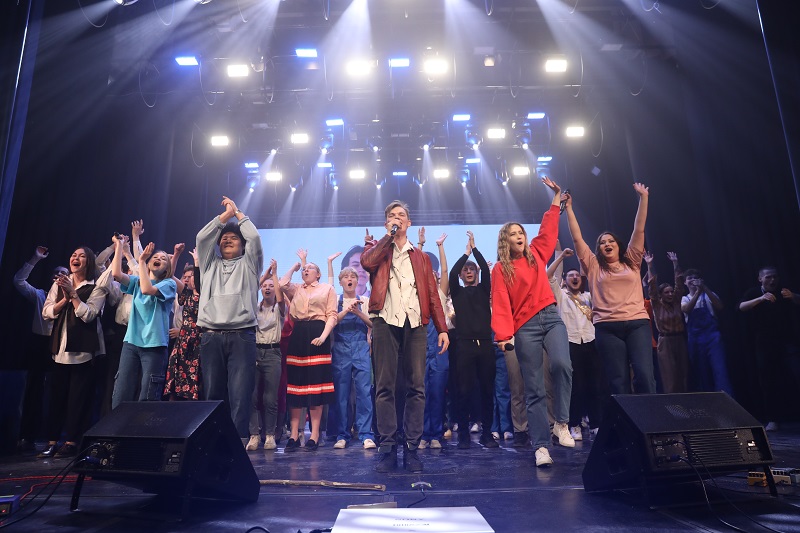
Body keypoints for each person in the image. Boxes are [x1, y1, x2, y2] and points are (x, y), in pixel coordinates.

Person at [361, 201, 449, 473]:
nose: (396, 219)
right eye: (392, 216)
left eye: (401, 216)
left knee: (416, 387)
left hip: (415, 323)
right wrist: (386, 238)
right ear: (386, 223)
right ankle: (387, 448)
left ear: (409, 223)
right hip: (385, 321)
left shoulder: (420, 257)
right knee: (384, 387)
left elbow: (432, 294)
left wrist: (442, 328)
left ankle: (411, 448)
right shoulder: (377, 250)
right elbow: (367, 263)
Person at [491, 177, 573, 468]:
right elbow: (501, 302)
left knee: (562, 365)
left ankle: (561, 423)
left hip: (550, 318)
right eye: (513, 233)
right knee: (534, 389)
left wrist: (556, 197)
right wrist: (504, 335)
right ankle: (540, 447)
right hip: (524, 327)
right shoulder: (501, 269)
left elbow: (548, 229)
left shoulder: (537, 254)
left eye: (521, 232)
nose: (519, 236)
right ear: (506, 240)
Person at [564, 183, 655, 395]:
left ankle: (649, 416)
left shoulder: (632, 261)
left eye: (611, 241)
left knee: (644, 375)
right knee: (618, 381)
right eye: (602, 242)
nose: (607, 244)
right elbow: (577, 238)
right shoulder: (593, 265)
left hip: (637, 324)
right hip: (607, 328)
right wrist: (568, 208)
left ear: (618, 245)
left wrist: (643, 197)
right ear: (599, 248)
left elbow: (639, 229)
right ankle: (624, 417)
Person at [196, 196, 263, 439]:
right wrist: (225, 216)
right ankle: (214, 442)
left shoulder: (250, 264)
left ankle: (237, 444)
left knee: (240, 395)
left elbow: (254, 238)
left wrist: (238, 214)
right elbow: (202, 238)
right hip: (211, 335)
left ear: (243, 245)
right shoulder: (208, 264)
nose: (227, 240)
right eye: (224, 238)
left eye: (234, 238)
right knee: (212, 394)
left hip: (242, 335)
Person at [40, 246, 107, 458]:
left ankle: (71, 442)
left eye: (81, 256)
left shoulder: (96, 286)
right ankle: (51, 442)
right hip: (59, 349)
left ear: (89, 262)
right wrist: (64, 299)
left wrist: (73, 294)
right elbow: (46, 312)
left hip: (83, 351)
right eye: (73, 255)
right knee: (56, 398)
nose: (75, 258)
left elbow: (89, 315)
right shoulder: (59, 283)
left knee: (78, 400)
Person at [110, 237, 178, 407]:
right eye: (155, 257)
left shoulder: (169, 284)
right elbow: (116, 274)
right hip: (131, 342)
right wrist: (119, 246)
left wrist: (141, 261)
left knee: (148, 395)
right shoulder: (137, 281)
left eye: (164, 259)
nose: (158, 259)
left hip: (155, 345)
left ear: (167, 268)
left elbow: (147, 290)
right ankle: (117, 423)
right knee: (122, 390)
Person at [13, 246, 68, 452]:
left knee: (57, 391)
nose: (60, 275)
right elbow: (19, 281)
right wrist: (35, 258)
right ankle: (27, 436)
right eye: (57, 273)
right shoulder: (40, 296)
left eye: (64, 273)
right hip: (39, 345)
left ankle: (54, 438)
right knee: (33, 391)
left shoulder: (72, 298)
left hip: (60, 345)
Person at [280, 261, 337, 451]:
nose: (306, 271)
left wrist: (323, 336)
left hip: (318, 332)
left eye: (309, 268)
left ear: (318, 274)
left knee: (316, 386)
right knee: (296, 386)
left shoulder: (327, 288)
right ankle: (294, 435)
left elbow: (332, 315)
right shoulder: (297, 289)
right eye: (304, 269)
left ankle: (314, 434)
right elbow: (282, 284)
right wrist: (294, 267)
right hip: (298, 334)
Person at [449, 231, 498, 450]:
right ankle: (463, 436)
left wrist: (475, 249)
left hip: (485, 344)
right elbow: (451, 273)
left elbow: (486, 270)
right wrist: (465, 254)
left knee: (487, 390)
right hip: (464, 345)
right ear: (461, 275)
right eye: (465, 270)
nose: (468, 272)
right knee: (463, 391)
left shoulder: (483, 289)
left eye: (472, 269)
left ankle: (487, 434)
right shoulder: (457, 293)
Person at [739, 267, 800, 429]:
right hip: (765, 343)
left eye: (774, 277)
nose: (772, 280)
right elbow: (741, 307)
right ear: (760, 279)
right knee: (768, 380)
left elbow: (797, 300)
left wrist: (794, 296)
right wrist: (761, 298)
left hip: (787, 340)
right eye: (768, 277)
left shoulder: (784, 290)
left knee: (796, 374)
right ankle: (773, 418)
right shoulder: (754, 292)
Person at [330, 266, 375, 450]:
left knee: (364, 392)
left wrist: (358, 312)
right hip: (341, 349)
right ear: (340, 282)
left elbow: (373, 323)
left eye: (353, 277)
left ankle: (366, 434)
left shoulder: (365, 300)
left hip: (361, 348)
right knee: (342, 394)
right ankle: (342, 434)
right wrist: (346, 311)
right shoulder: (335, 301)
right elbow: (331, 323)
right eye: (345, 277)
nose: (349, 279)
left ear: (357, 281)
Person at [246, 259, 286, 451]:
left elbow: (281, 298)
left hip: (273, 352)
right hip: (254, 351)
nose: (267, 288)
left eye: (271, 286)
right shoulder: (255, 306)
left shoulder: (279, 309)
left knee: (270, 397)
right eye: (265, 286)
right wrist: (265, 275)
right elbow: (250, 290)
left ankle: (270, 434)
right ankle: (254, 435)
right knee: (253, 396)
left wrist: (274, 275)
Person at [681, 267, 733, 395]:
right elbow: (686, 309)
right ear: (685, 282)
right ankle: (707, 402)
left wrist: (704, 288)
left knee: (720, 370)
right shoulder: (685, 298)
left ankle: (726, 400)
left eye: (696, 278)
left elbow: (720, 306)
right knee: (702, 372)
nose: (693, 280)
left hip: (713, 338)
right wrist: (697, 292)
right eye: (690, 278)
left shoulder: (709, 294)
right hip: (695, 340)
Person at [645, 251, 689, 393]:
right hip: (665, 341)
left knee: (683, 373)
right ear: (661, 295)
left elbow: (679, 284)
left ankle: (686, 400)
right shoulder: (657, 304)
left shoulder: (676, 301)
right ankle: (673, 402)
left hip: (679, 339)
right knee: (669, 376)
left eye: (671, 292)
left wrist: (675, 263)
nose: (670, 294)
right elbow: (652, 286)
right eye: (666, 292)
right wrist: (649, 265)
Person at [164, 250, 202, 401]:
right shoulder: (186, 294)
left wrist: (197, 262)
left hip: (197, 343)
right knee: (175, 381)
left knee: (194, 384)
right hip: (182, 342)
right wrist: (175, 255)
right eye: (186, 277)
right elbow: (170, 275)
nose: (188, 279)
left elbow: (198, 281)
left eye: (191, 276)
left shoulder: (206, 295)